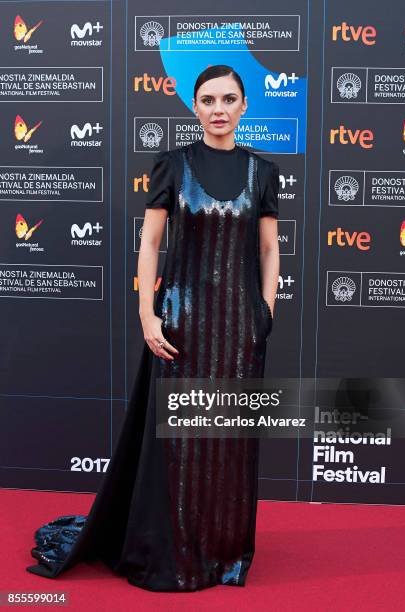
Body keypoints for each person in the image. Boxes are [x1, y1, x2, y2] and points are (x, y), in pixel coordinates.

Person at [26, 64, 280, 591]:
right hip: (182, 324)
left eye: (229, 99)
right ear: (194, 107)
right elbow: (149, 244)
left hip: (239, 329)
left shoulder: (263, 172)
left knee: (228, 440)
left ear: (244, 106)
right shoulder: (172, 165)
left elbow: (270, 249)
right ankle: (177, 552)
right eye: (208, 99)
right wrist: (148, 313)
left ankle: (224, 553)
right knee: (180, 442)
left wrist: (267, 310)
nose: (218, 109)